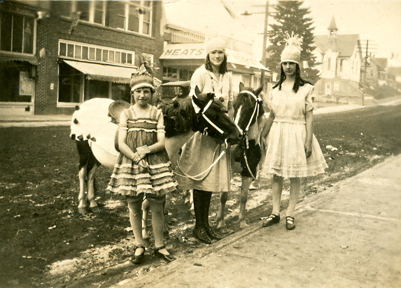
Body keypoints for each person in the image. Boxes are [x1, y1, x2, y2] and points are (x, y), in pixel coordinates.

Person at [107, 63, 177, 264]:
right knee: (134, 204)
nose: (142, 95)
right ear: (132, 93)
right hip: (131, 161)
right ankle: (139, 245)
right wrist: (136, 157)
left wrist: (146, 150)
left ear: (152, 93)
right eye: (138, 91)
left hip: (154, 160)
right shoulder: (127, 114)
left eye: (146, 91)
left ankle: (159, 245)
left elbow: (161, 141)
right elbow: (121, 143)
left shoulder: (156, 113)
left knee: (157, 204)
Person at [260, 33, 328, 230]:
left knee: (295, 175)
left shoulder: (306, 88)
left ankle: (290, 213)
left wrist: (307, 141)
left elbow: (309, 116)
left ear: (298, 66)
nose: (287, 67)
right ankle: (275, 212)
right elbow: (272, 116)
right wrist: (263, 136)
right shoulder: (275, 89)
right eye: (285, 63)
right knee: (276, 174)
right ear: (281, 66)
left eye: (291, 63)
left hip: (297, 133)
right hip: (278, 133)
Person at [175, 37, 234, 244]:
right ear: (208, 55)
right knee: (200, 181)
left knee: (210, 182)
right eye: (213, 52)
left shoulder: (227, 77)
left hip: (219, 135)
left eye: (220, 52)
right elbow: (193, 103)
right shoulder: (200, 74)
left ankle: (205, 225)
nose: (217, 56)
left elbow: (230, 106)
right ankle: (198, 226)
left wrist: (230, 129)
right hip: (203, 134)